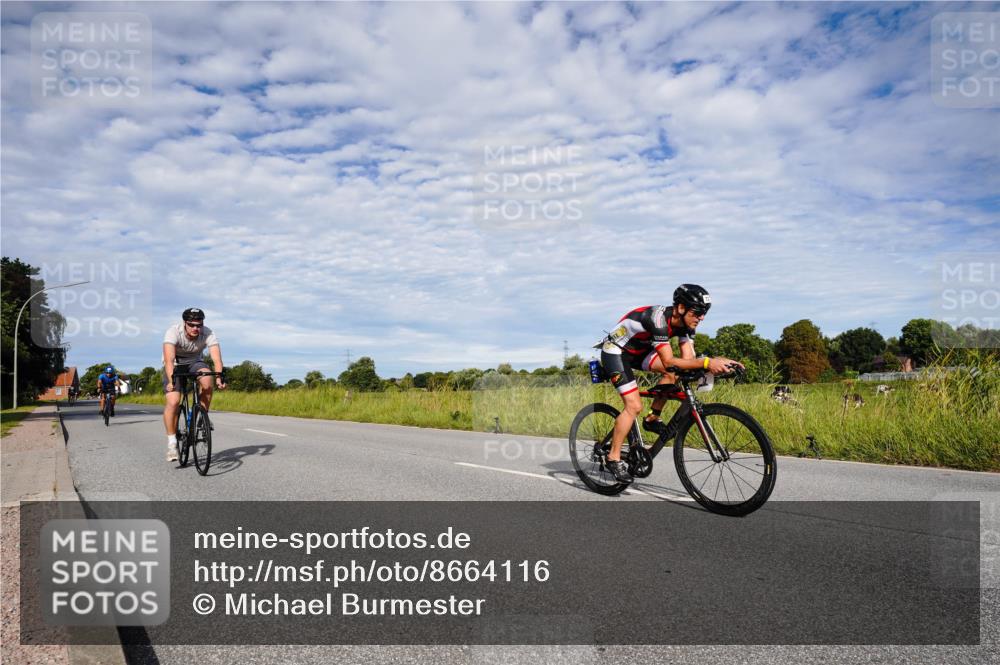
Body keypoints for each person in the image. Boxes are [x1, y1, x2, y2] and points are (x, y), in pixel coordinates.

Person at [597, 284, 744, 482]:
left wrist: (719, 362)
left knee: (674, 371)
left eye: (704, 313)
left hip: (640, 352)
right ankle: (613, 458)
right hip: (616, 351)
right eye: (697, 312)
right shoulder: (657, 319)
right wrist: (708, 362)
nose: (701, 318)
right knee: (633, 405)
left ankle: (652, 418)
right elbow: (668, 361)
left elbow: (688, 359)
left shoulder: (687, 327)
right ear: (681, 308)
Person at [162, 308, 226, 462]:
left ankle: (201, 418)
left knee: (207, 379)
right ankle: (172, 444)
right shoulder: (173, 332)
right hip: (176, 364)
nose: (196, 328)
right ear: (185, 323)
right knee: (174, 401)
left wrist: (219, 377)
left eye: (199, 325)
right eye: (192, 325)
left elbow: (216, 359)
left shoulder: (208, 333)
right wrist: (171, 381)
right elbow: (169, 360)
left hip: (195, 362)